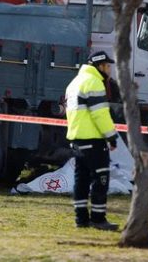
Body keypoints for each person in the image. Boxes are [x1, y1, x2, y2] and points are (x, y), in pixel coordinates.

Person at [65, 50, 119, 231]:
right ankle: (98, 218)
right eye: (108, 65)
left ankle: (81, 219)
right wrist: (111, 136)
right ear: (99, 66)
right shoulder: (94, 82)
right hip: (93, 139)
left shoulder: (74, 83)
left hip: (77, 138)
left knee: (81, 180)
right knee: (101, 178)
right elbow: (100, 114)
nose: (110, 69)